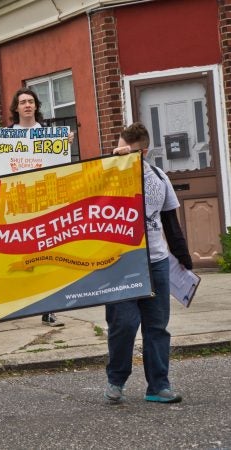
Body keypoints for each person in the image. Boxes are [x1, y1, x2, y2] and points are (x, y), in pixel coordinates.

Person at [104, 122, 192, 404]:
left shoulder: (158, 177)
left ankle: (158, 386)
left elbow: (170, 222)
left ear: (144, 151)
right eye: (121, 148)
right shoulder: (108, 177)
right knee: (124, 324)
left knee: (157, 326)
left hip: (156, 261)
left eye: (130, 151)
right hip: (121, 264)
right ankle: (116, 380)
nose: (125, 154)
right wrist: (112, 162)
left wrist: (183, 256)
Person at [0, 87, 66, 327]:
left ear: (36, 106)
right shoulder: (5, 136)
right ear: (16, 108)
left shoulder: (50, 134)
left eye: (31, 101)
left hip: (44, 202)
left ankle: (49, 308)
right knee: (16, 255)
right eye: (23, 102)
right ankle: (14, 303)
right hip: (15, 203)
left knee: (46, 256)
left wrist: (64, 145)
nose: (27, 105)